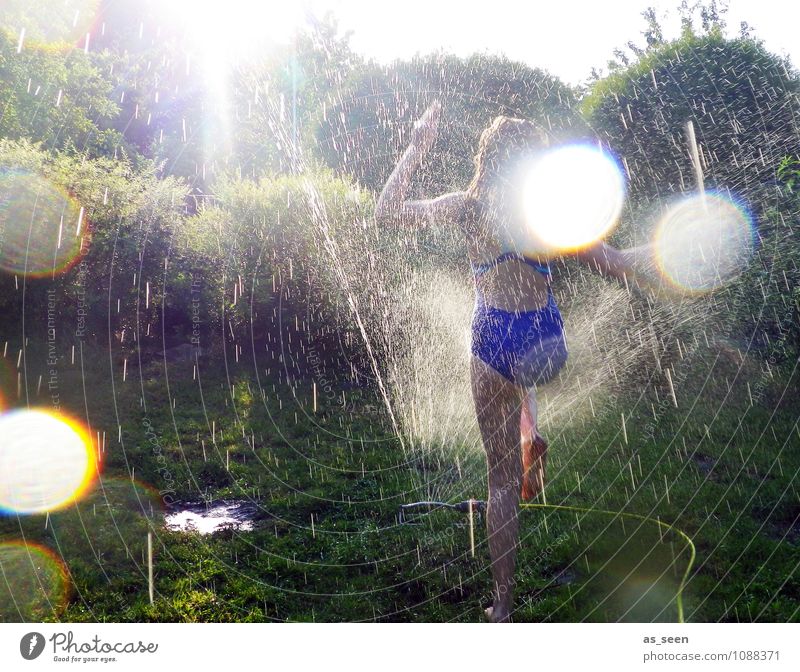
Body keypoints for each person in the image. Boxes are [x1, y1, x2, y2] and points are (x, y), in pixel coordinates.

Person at [376, 101, 657, 622]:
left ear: (486, 160)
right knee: (526, 373)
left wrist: (416, 146)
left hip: (493, 344)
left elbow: (386, 214)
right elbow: (619, 264)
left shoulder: (466, 207)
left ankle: (502, 606)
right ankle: (533, 428)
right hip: (545, 345)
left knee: (500, 481)